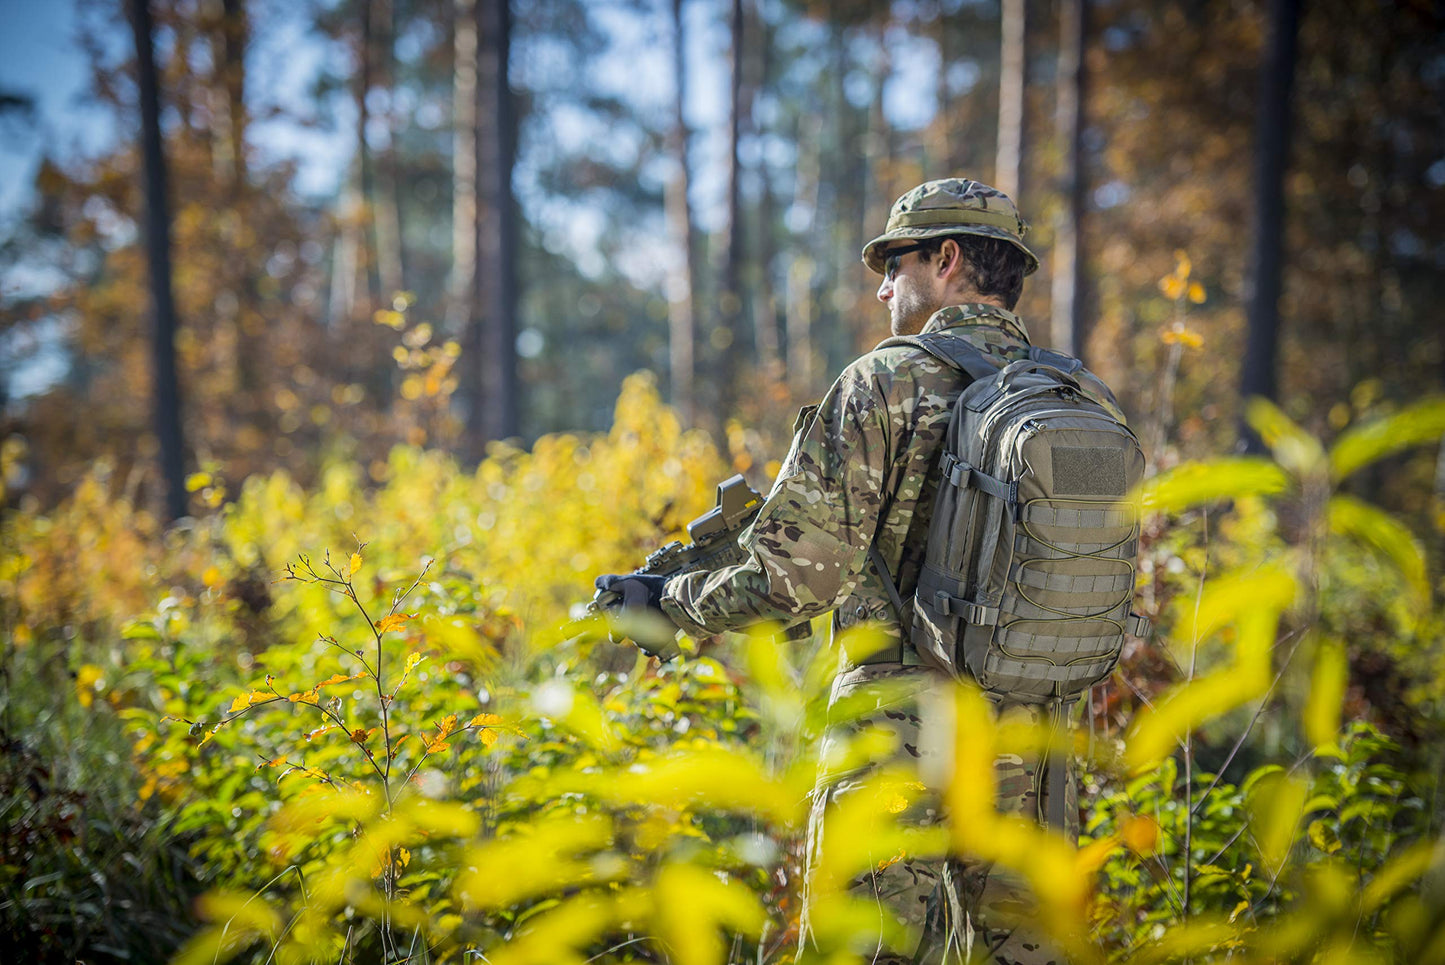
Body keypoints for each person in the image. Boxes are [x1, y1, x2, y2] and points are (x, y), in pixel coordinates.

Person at [595, 178, 1073, 964]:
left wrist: (669, 601)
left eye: (893, 262)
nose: (883, 286)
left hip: (895, 740)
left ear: (945, 259)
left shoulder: (884, 380)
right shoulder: (1067, 393)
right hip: (1036, 747)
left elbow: (792, 581)